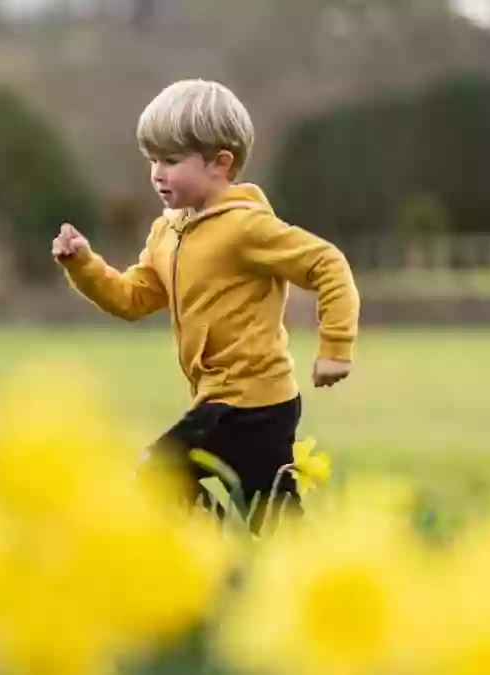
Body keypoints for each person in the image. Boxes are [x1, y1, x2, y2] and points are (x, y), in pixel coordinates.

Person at [52, 79, 360, 533]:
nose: (157, 172)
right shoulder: (166, 233)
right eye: (152, 159)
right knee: (274, 524)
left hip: (251, 402)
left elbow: (326, 264)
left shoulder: (246, 228)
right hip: (225, 400)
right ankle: (271, 566)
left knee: (158, 474)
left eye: (171, 160)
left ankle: (213, 560)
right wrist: (83, 264)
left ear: (221, 164)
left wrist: (335, 347)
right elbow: (132, 299)